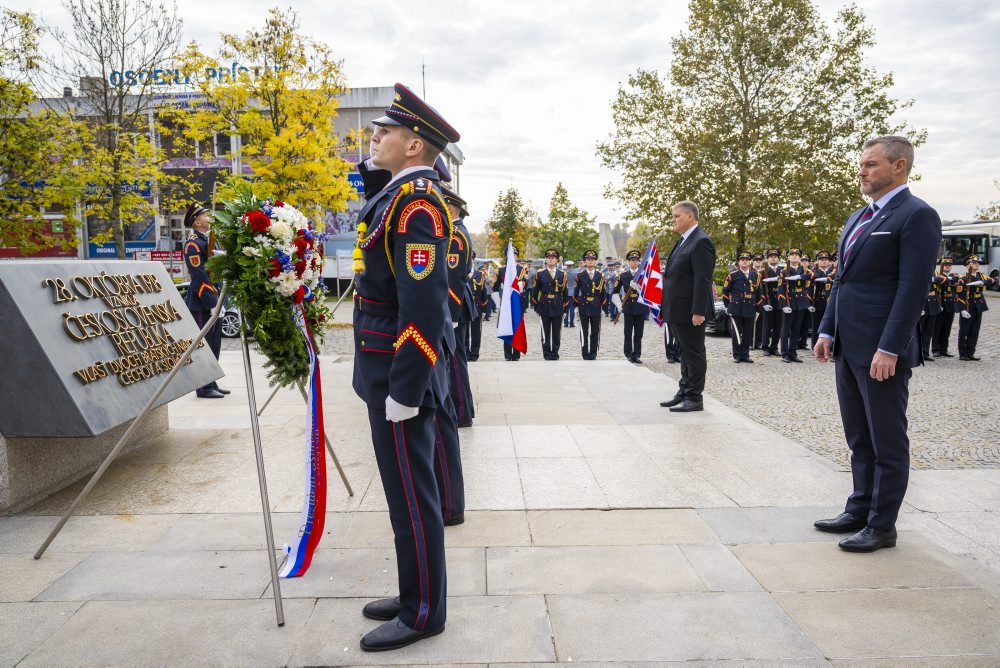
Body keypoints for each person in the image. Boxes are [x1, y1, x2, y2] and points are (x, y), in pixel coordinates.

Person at [349, 83, 459, 650]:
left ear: (414, 145)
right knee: (400, 492)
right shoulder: (397, 195)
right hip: (383, 368)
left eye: (385, 131)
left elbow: (422, 305)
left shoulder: (417, 205)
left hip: (398, 372)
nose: (375, 137)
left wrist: (407, 387)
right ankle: (412, 587)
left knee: (414, 493)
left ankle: (424, 612)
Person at [814, 135, 941, 553]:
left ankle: (883, 524)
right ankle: (859, 507)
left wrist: (890, 347)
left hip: (881, 351)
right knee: (859, 436)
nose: (862, 171)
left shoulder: (916, 215)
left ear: (899, 166)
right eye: (862, 164)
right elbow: (842, 281)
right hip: (848, 345)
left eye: (870, 164)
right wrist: (827, 329)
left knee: (887, 438)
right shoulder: (858, 217)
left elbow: (912, 288)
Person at [659, 201, 716, 413]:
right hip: (677, 309)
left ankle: (694, 397)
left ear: (690, 216)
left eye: (676, 216)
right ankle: (683, 391)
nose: (673, 220)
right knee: (684, 352)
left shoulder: (701, 241)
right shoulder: (685, 240)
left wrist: (699, 311)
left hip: (690, 311)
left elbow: (702, 280)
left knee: (694, 353)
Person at [182, 202, 229, 399]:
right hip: (202, 301)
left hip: (215, 297)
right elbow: (199, 275)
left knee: (214, 343)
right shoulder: (193, 244)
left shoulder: (211, 241)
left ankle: (211, 381)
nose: (209, 216)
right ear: (197, 221)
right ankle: (203, 387)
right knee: (204, 345)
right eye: (205, 214)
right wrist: (212, 302)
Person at [440, 184, 475, 427]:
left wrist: (450, 313)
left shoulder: (455, 236)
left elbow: (455, 276)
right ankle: (464, 410)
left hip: (456, 305)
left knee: (455, 362)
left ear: (450, 208)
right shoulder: (458, 232)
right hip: (458, 303)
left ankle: (461, 414)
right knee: (455, 360)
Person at [956, 255, 998, 360]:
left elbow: (994, 281)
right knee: (964, 331)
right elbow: (959, 295)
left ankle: (971, 352)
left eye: (977, 262)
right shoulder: (963, 278)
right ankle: (963, 353)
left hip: (979, 306)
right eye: (974, 263)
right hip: (968, 306)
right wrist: (962, 309)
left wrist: (983, 282)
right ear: (968, 265)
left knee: (974, 331)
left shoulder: (981, 275)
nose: (977, 264)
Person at [721, 252, 760, 363]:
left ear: (750, 262)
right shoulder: (733, 275)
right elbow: (725, 292)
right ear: (738, 262)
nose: (744, 261)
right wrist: (727, 307)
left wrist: (758, 309)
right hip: (736, 308)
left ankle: (745, 354)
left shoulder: (755, 275)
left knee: (747, 332)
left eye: (747, 259)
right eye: (742, 259)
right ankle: (737, 355)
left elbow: (758, 293)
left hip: (750, 308)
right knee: (737, 333)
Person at [614, 250, 650, 363]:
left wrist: (638, 288)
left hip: (640, 307)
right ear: (628, 261)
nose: (635, 262)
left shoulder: (643, 275)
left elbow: (647, 292)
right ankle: (628, 354)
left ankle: (637, 355)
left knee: (639, 333)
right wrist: (619, 305)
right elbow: (614, 292)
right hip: (628, 307)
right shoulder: (623, 275)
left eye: (636, 260)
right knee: (628, 333)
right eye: (632, 260)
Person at [532, 248, 568, 360]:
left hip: (557, 305)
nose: (551, 260)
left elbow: (565, 293)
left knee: (557, 333)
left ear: (557, 260)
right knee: (545, 332)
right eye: (548, 258)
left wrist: (565, 309)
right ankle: (547, 354)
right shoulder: (540, 274)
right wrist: (537, 307)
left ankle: (555, 353)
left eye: (553, 258)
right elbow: (534, 293)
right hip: (544, 305)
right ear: (546, 260)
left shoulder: (562, 274)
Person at [777, 248, 812, 363]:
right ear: (788, 258)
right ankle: (785, 353)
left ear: (800, 258)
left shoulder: (804, 270)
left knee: (796, 330)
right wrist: (783, 305)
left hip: (801, 303)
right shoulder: (783, 271)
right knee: (785, 330)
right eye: (792, 255)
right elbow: (781, 289)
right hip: (789, 302)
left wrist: (800, 277)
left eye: (797, 255)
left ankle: (793, 352)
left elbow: (813, 276)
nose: (795, 256)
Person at [494, 251, 527, 361]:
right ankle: (508, 355)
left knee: (517, 326)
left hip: (517, 301)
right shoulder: (502, 270)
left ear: (517, 256)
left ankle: (516, 354)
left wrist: (520, 284)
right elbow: (496, 284)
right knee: (507, 326)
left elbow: (526, 282)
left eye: (514, 255)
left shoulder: (521, 269)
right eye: (510, 255)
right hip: (506, 302)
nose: (512, 257)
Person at [575, 250, 606, 359]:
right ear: (585, 262)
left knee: (595, 331)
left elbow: (603, 293)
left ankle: (593, 353)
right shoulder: (580, 275)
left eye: (592, 259)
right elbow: (575, 292)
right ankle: (585, 353)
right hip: (584, 304)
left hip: (596, 305)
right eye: (588, 259)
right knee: (584, 331)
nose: (590, 261)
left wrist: (603, 307)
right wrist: (576, 306)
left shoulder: (600, 276)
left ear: (595, 261)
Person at [932, 257, 959, 357]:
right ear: (941, 266)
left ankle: (944, 349)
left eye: (949, 265)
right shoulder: (937, 275)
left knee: (947, 328)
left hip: (950, 305)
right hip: (940, 304)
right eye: (945, 265)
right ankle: (936, 349)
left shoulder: (954, 276)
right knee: (937, 328)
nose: (947, 266)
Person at [919, 266, 947, 361]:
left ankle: (925, 353)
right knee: (920, 331)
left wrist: (934, 278)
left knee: (928, 331)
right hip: (923, 304)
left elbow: (944, 279)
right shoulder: (918, 272)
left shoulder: (934, 274)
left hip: (933, 305)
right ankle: (917, 353)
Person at [759, 249, 783, 356]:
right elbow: (760, 289)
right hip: (768, 300)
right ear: (768, 258)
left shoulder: (783, 271)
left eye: (775, 256)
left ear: (778, 258)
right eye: (771, 256)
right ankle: (765, 347)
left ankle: (774, 346)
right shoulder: (763, 272)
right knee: (767, 325)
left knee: (778, 326)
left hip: (779, 301)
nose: (773, 258)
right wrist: (764, 303)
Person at [810, 252, 833, 349]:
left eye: (826, 260)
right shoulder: (814, 272)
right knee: (816, 324)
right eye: (821, 260)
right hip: (818, 301)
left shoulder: (832, 272)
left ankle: (830, 346)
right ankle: (815, 345)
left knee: (829, 324)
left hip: (829, 301)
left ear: (829, 262)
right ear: (817, 261)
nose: (824, 262)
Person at [468, 254, 488, 361]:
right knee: (464, 331)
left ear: (473, 260)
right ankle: (466, 353)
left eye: (471, 259)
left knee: (476, 332)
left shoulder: (479, 274)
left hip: (477, 305)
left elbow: (484, 292)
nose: (469, 260)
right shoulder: (461, 272)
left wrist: (484, 309)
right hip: (465, 305)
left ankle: (475, 354)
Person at [751, 253, 767, 349]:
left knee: (761, 322)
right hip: (751, 299)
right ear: (753, 261)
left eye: (760, 260)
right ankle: (750, 342)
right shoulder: (749, 271)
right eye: (756, 260)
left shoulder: (765, 272)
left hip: (762, 299)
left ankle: (758, 342)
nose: (758, 261)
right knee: (750, 323)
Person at [563, 260, 578, 327]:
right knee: (572, 308)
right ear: (572, 265)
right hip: (573, 291)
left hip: (565, 291)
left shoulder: (564, 272)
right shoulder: (576, 272)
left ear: (567, 265)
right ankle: (571, 323)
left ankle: (566, 323)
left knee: (565, 307)